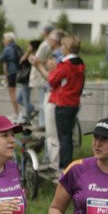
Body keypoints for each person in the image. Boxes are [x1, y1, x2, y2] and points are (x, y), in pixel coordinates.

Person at [37, 36, 85, 173]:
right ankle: (66, 166)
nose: (61, 48)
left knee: (63, 137)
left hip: (63, 102)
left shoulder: (66, 65)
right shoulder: (80, 64)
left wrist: (46, 68)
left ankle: (63, 167)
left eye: (63, 46)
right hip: (74, 102)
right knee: (67, 136)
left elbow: (52, 80)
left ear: (67, 48)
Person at [0, 32, 23, 121]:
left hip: (12, 73)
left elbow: (0, 59)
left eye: (4, 39)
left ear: (8, 40)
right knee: (16, 93)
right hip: (19, 72)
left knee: (12, 93)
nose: (3, 41)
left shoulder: (8, 49)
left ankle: (17, 113)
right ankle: (18, 113)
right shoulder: (17, 47)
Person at [17, 40, 38, 123]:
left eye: (29, 46)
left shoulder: (33, 56)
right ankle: (32, 109)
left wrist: (27, 53)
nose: (27, 47)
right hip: (25, 79)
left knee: (26, 99)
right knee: (19, 99)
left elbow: (21, 61)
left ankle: (28, 117)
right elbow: (21, 61)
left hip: (27, 79)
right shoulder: (30, 54)